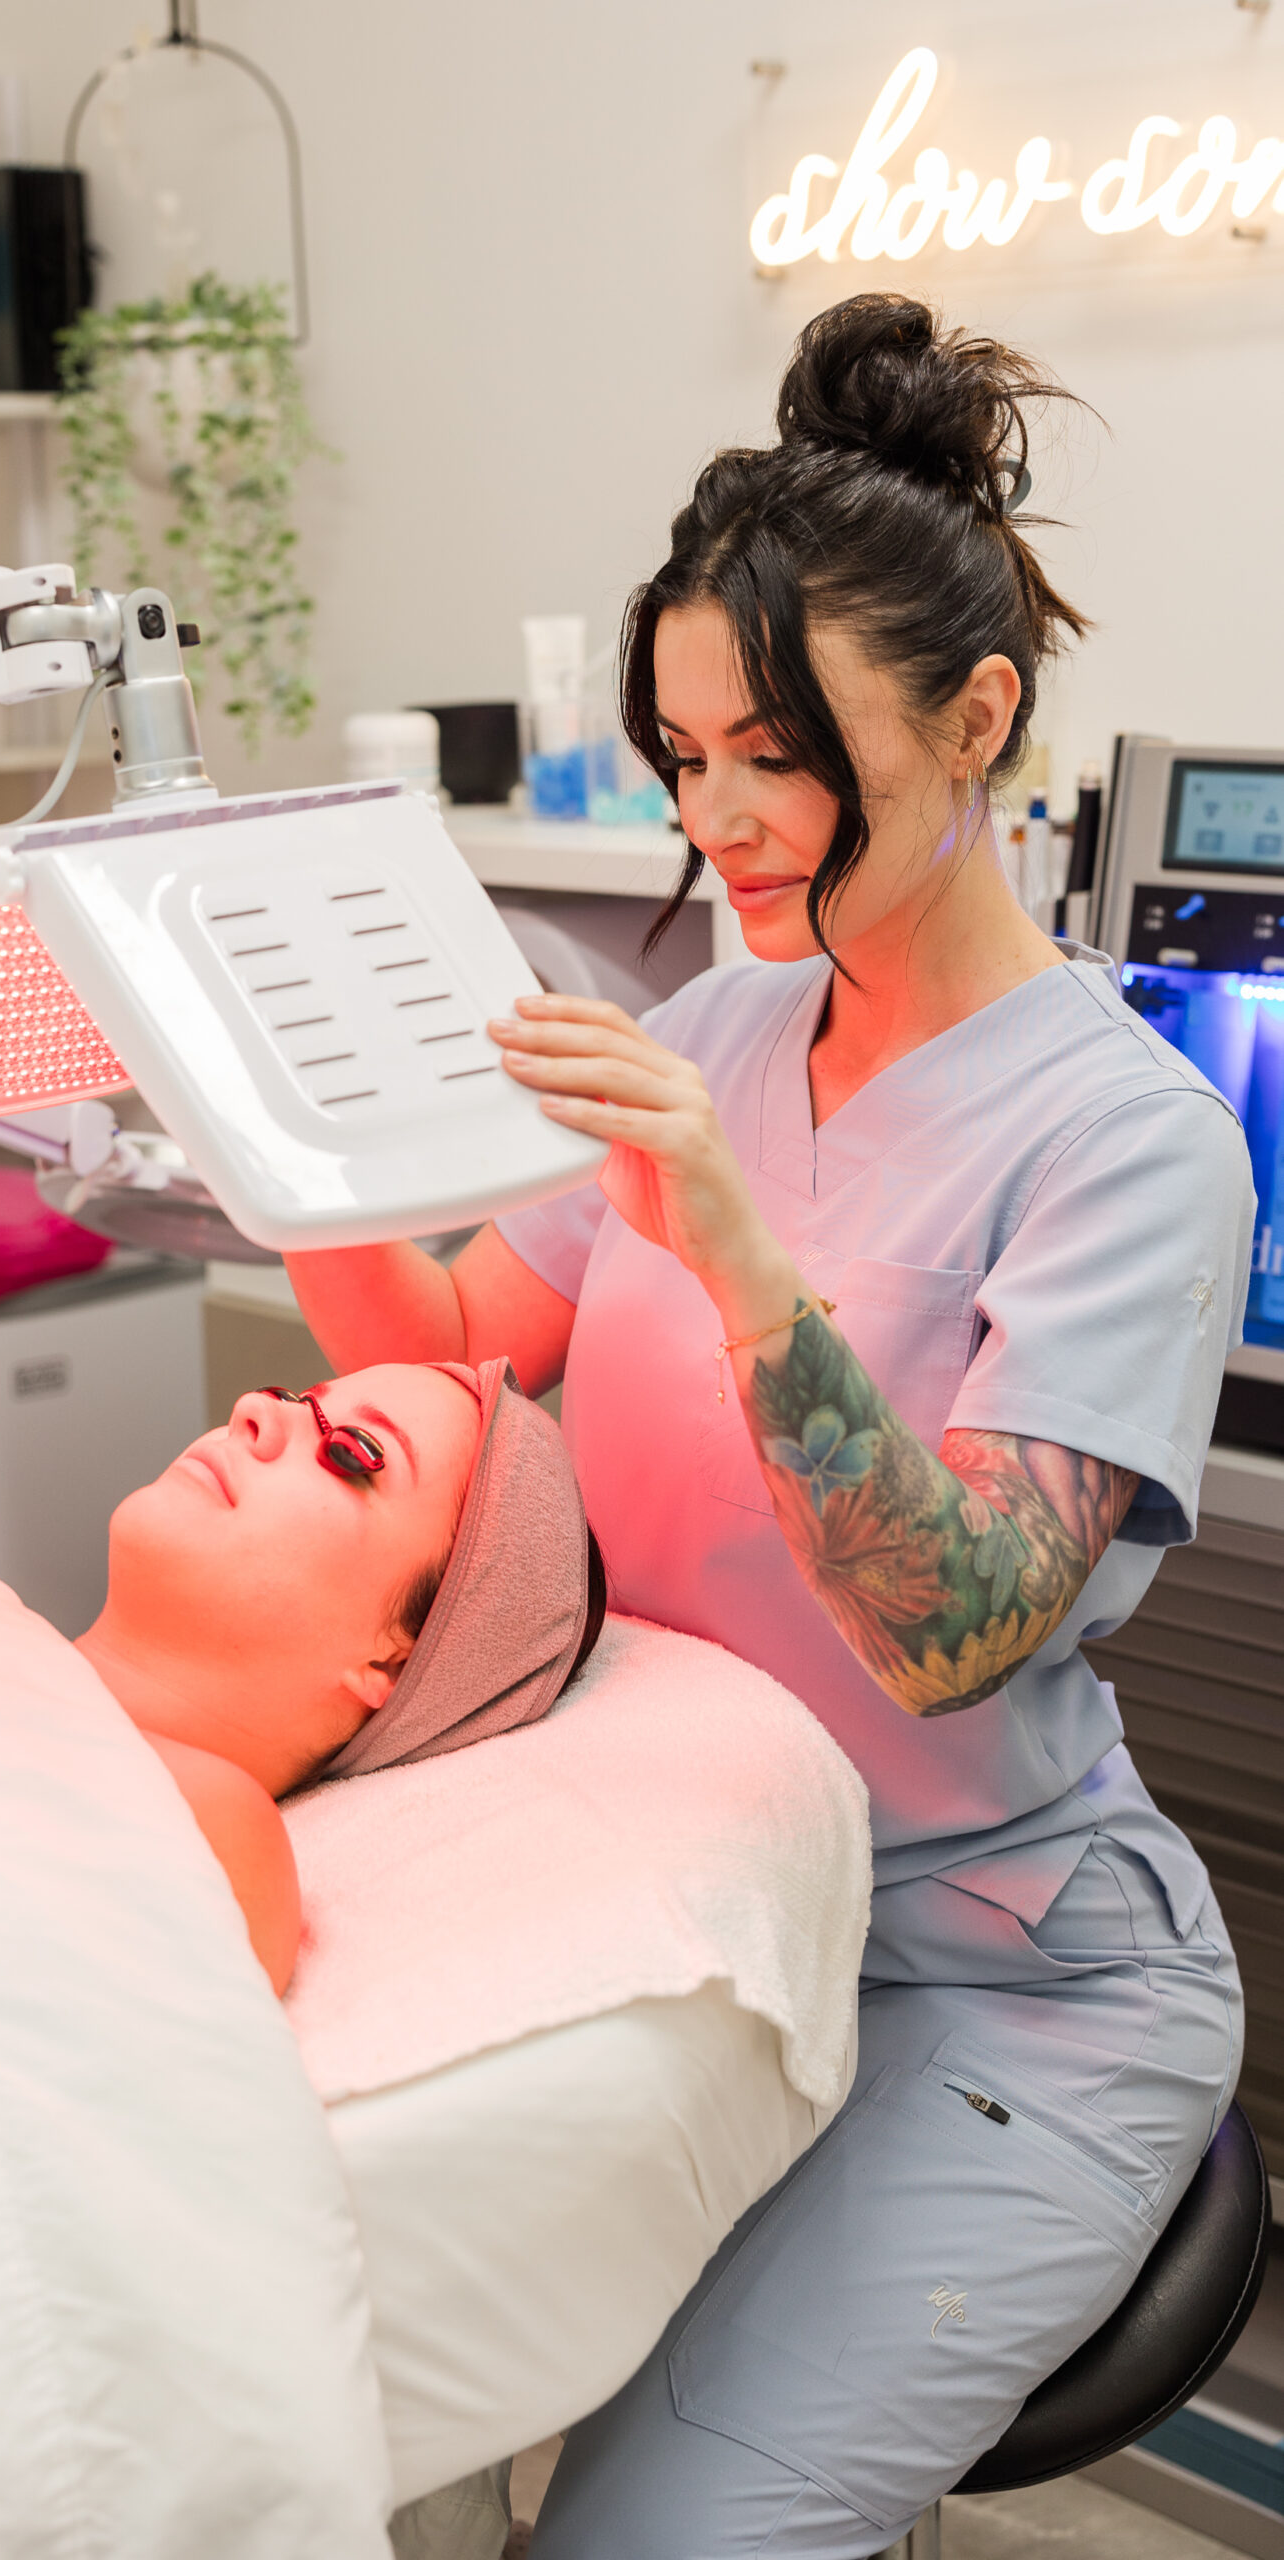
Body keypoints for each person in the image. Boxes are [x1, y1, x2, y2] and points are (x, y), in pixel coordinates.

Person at [282, 295, 1255, 2554]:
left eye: (774, 756)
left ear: (974, 718)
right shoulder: (715, 1031)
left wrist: (729, 1245)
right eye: (681, 751)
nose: (709, 816)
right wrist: (295, 1141)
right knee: (370, 2423)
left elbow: (953, 1626)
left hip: (992, 1977)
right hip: (701, 1909)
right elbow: (441, 1349)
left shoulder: (1127, 1142)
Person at [77, 1357, 603, 1994]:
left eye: (352, 1449)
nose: (254, 1408)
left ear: (392, 1662)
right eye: (292, 1395)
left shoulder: (210, 1843)